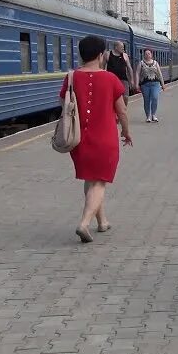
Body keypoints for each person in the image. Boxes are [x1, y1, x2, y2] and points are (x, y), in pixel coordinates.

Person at [62, 34, 133, 243]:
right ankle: (84, 224)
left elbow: (64, 107)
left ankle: (102, 222)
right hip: (105, 138)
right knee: (100, 182)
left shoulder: (71, 77)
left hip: (79, 139)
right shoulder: (110, 78)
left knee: (91, 178)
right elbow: (122, 111)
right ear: (101, 55)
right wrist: (126, 132)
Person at [135, 48, 165, 123]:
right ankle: (148, 116)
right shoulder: (141, 63)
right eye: (146, 54)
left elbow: (159, 74)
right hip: (145, 85)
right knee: (147, 100)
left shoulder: (155, 63)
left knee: (155, 97)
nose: (147, 55)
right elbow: (137, 73)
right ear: (144, 55)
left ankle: (153, 115)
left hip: (155, 83)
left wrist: (163, 84)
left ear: (151, 55)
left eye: (149, 53)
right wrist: (136, 84)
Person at [107, 41, 134, 105]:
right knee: (113, 97)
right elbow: (102, 67)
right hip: (111, 80)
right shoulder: (108, 54)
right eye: (121, 47)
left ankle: (123, 109)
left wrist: (132, 80)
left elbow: (129, 68)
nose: (123, 49)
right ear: (116, 47)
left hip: (123, 79)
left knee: (125, 96)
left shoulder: (125, 55)